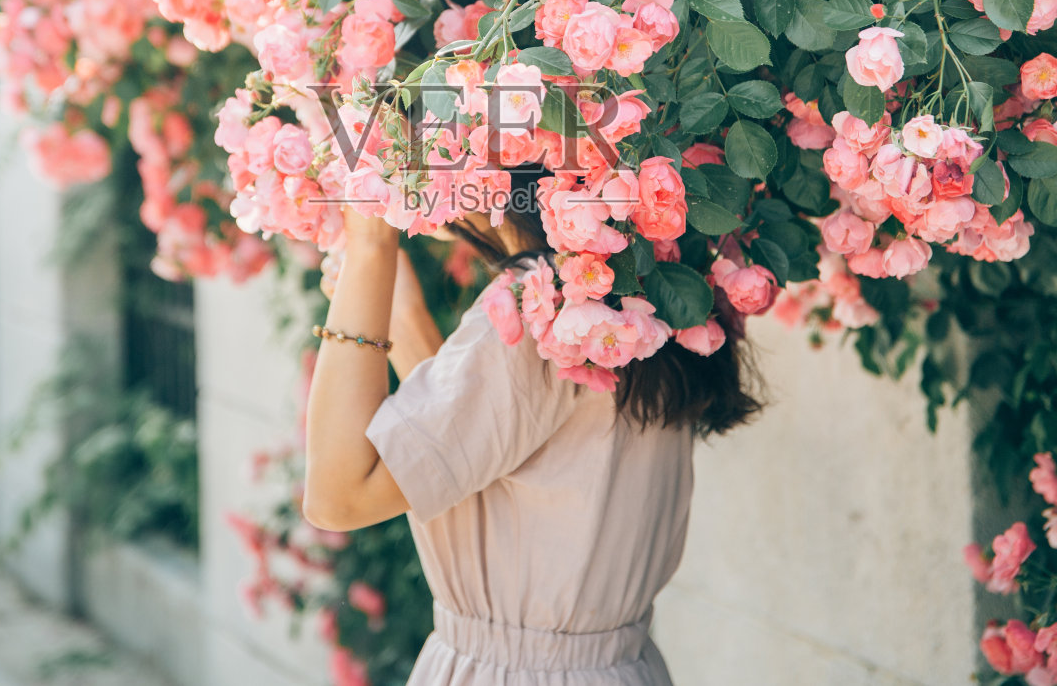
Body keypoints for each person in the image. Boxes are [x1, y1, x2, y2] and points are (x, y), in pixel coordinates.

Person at [302, 180, 764, 685]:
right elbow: (480, 451)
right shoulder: (618, 286)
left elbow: (338, 497)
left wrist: (371, 245)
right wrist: (403, 311)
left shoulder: (540, 310)